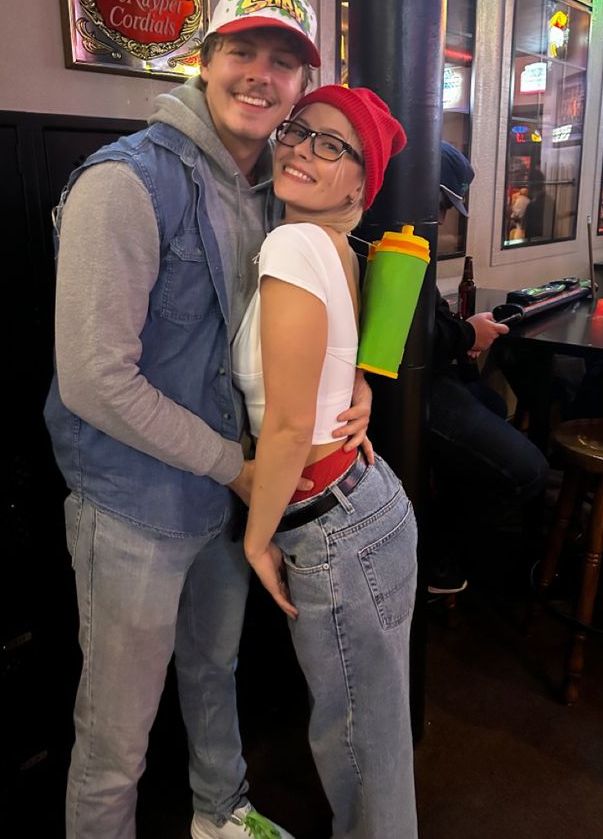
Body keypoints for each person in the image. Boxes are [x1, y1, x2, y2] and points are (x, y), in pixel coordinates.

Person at [43, 0, 372, 839]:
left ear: (303, 86)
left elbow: (315, 314)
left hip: (224, 503)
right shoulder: (123, 183)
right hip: (133, 510)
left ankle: (219, 816)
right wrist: (239, 466)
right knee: (114, 742)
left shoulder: (278, 188)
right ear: (204, 58)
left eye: (284, 61)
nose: (261, 75)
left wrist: (356, 387)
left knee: (213, 673)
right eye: (242, 51)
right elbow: (92, 378)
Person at [232, 86, 419, 838]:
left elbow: (283, 425)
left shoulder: (292, 244)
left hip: (333, 529)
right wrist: (360, 384)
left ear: (358, 182)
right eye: (299, 131)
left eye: (331, 146)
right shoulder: (333, 246)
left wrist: (256, 536)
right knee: (375, 746)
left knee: (356, 754)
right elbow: (333, 371)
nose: (303, 149)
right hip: (365, 509)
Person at [427, 142, 549, 594]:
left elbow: (424, 322)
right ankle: (436, 557)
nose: (442, 219)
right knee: (529, 470)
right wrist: (465, 336)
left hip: (432, 375)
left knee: (494, 404)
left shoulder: (410, 234)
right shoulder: (388, 234)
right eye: (440, 204)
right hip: (409, 389)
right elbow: (400, 339)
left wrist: (465, 335)